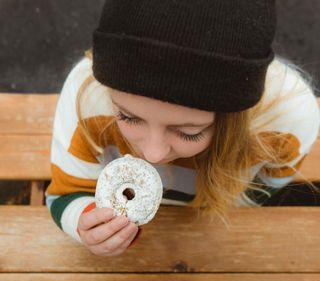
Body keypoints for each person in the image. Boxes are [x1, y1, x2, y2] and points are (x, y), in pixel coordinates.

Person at [45, 0, 320, 257]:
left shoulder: (286, 123)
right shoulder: (91, 97)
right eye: (128, 117)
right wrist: (85, 222)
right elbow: (65, 193)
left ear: (234, 117)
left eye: (189, 132)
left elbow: (261, 193)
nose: (152, 155)